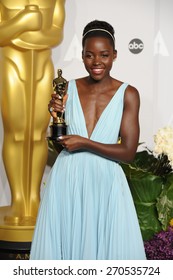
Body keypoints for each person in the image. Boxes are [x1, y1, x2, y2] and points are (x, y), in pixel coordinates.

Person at [30, 20, 146, 259]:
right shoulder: (67, 89)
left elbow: (128, 152)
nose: (97, 62)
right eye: (89, 55)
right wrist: (55, 118)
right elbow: (59, 142)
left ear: (114, 55)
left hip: (105, 181)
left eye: (104, 55)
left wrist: (85, 143)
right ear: (81, 55)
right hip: (68, 179)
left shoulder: (129, 94)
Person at [0, 1, 65, 225]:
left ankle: (34, 197)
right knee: (16, 132)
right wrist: (22, 22)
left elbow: (56, 34)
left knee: (38, 133)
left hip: (42, 66)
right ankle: (19, 199)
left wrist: (19, 36)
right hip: (12, 64)